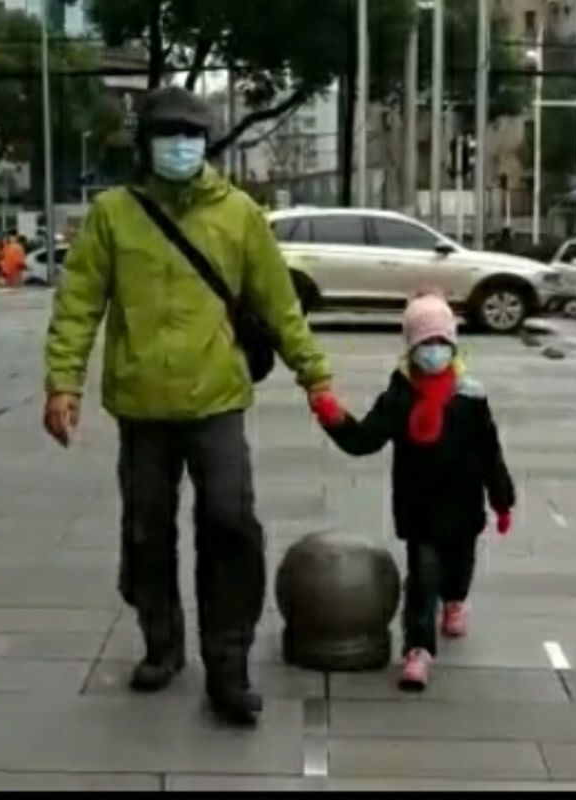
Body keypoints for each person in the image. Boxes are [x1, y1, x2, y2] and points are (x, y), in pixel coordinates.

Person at [43, 87, 334, 725]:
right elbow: (79, 303)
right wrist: (62, 383)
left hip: (217, 402)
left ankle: (228, 667)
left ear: (207, 143)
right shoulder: (113, 215)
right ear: (145, 145)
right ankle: (162, 642)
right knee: (147, 530)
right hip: (141, 405)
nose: (181, 146)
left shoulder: (239, 214)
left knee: (231, 523)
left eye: (193, 135)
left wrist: (316, 377)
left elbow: (281, 304)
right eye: (168, 135)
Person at [310, 292, 515, 692]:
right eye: (425, 343)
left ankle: (455, 601)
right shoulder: (399, 396)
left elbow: (490, 452)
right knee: (423, 578)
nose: (433, 351)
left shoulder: (471, 397)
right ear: (411, 347)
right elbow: (364, 440)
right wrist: (333, 416)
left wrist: (502, 499)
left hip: (464, 503)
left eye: (441, 343)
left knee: (458, 568)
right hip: (420, 507)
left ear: (453, 346)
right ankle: (418, 650)